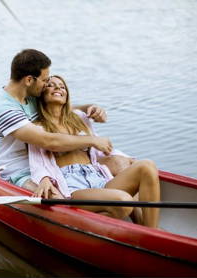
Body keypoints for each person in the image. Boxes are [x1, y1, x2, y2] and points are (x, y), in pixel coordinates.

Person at [0, 49, 127, 194]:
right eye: (45, 80)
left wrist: (88, 108)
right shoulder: (4, 109)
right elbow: (48, 141)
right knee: (54, 198)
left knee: (122, 163)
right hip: (22, 172)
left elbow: (60, 108)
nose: (46, 84)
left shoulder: (30, 96)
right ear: (29, 80)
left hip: (50, 162)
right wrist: (91, 140)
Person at [29, 75, 160, 228]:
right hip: (73, 186)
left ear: (67, 96)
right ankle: (94, 226)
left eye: (62, 86)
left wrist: (125, 159)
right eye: (51, 85)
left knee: (147, 166)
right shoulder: (37, 127)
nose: (58, 88)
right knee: (124, 201)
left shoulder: (79, 119)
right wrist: (44, 179)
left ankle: (152, 232)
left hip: (98, 177)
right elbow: (37, 162)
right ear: (42, 94)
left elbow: (100, 146)